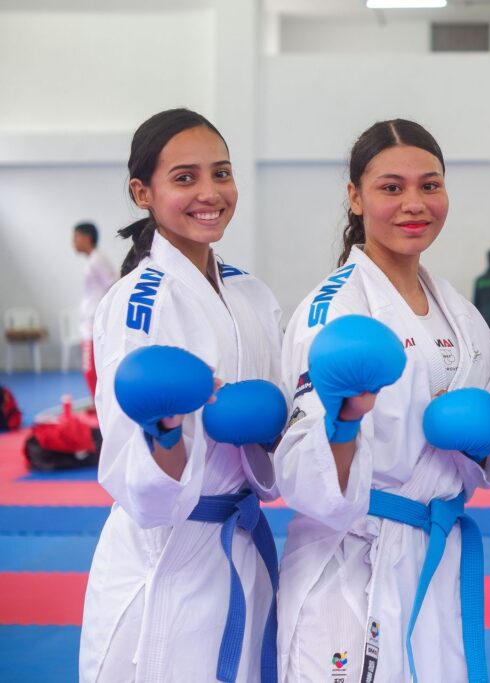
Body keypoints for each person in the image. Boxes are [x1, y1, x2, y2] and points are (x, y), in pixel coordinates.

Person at [274, 119, 490, 683]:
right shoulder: (333, 311)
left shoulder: (457, 308)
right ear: (355, 197)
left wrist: (487, 436)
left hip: (433, 552)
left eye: (430, 185)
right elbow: (303, 478)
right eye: (391, 187)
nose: (414, 204)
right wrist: (346, 420)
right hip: (353, 561)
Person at [79, 108, 285, 683]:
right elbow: (138, 485)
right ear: (142, 192)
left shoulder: (252, 292)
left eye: (221, 173)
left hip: (238, 543)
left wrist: (275, 426)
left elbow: (277, 436)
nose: (210, 193)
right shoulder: (135, 302)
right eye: (185, 178)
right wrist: (165, 431)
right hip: (164, 558)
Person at [72, 221, 117, 397]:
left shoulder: (97, 259)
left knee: (90, 369)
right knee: (91, 369)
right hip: (89, 322)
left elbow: (113, 285)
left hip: (93, 324)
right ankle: (100, 404)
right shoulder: (93, 259)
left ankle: (101, 408)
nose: (73, 242)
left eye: (76, 237)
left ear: (86, 238)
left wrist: (101, 317)